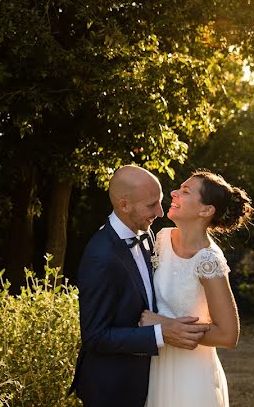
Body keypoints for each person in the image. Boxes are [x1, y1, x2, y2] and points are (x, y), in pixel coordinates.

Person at [69, 165, 211, 407]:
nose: (160, 211)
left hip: (150, 380)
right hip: (112, 388)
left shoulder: (147, 234)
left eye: (160, 202)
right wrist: (161, 333)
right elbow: (94, 336)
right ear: (124, 205)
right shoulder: (100, 256)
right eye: (151, 205)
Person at [139, 169, 254, 407]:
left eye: (185, 191)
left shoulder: (208, 260)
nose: (174, 193)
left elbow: (228, 334)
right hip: (157, 366)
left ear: (205, 210)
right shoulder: (161, 238)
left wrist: (162, 325)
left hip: (190, 375)